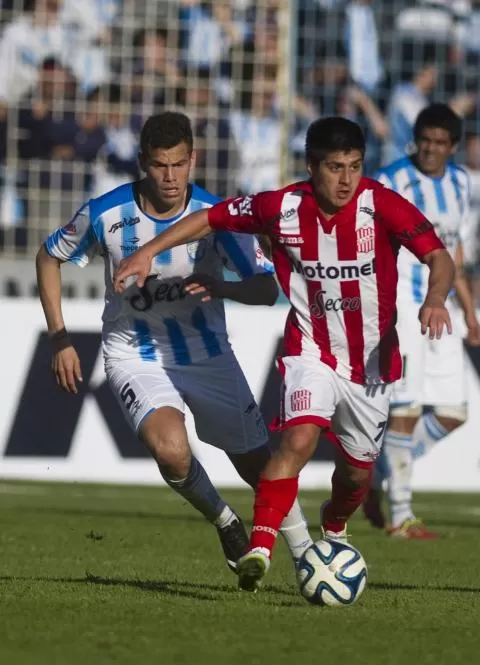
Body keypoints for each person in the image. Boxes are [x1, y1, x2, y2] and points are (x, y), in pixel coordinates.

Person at [112, 116, 456, 592]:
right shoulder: (280, 207)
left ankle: (334, 525)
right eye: (334, 167)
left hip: (372, 366)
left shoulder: (381, 205)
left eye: (354, 167)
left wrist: (435, 299)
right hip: (310, 351)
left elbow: (439, 256)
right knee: (297, 441)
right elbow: (210, 218)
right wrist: (149, 250)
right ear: (312, 166)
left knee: (356, 476)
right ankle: (259, 547)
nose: (345, 179)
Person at [35, 111, 314, 575]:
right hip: (134, 354)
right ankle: (224, 520)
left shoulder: (218, 216)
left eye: (179, 164)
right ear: (143, 162)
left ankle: (307, 556)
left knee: (257, 466)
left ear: (193, 160)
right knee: (171, 448)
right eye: (161, 165)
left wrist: (221, 286)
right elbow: (49, 257)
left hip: (208, 354)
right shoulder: (106, 212)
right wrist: (60, 339)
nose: (170, 177)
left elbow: (266, 291)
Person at [364, 102, 480, 539]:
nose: (431, 150)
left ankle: (374, 480)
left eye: (441, 143)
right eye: (425, 141)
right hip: (402, 308)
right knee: (407, 409)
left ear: (453, 146)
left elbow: (455, 252)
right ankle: (401, 516)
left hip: (444, 309)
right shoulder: (390, 180)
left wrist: (469, 310)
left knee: (454, 411)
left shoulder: (461, 183)